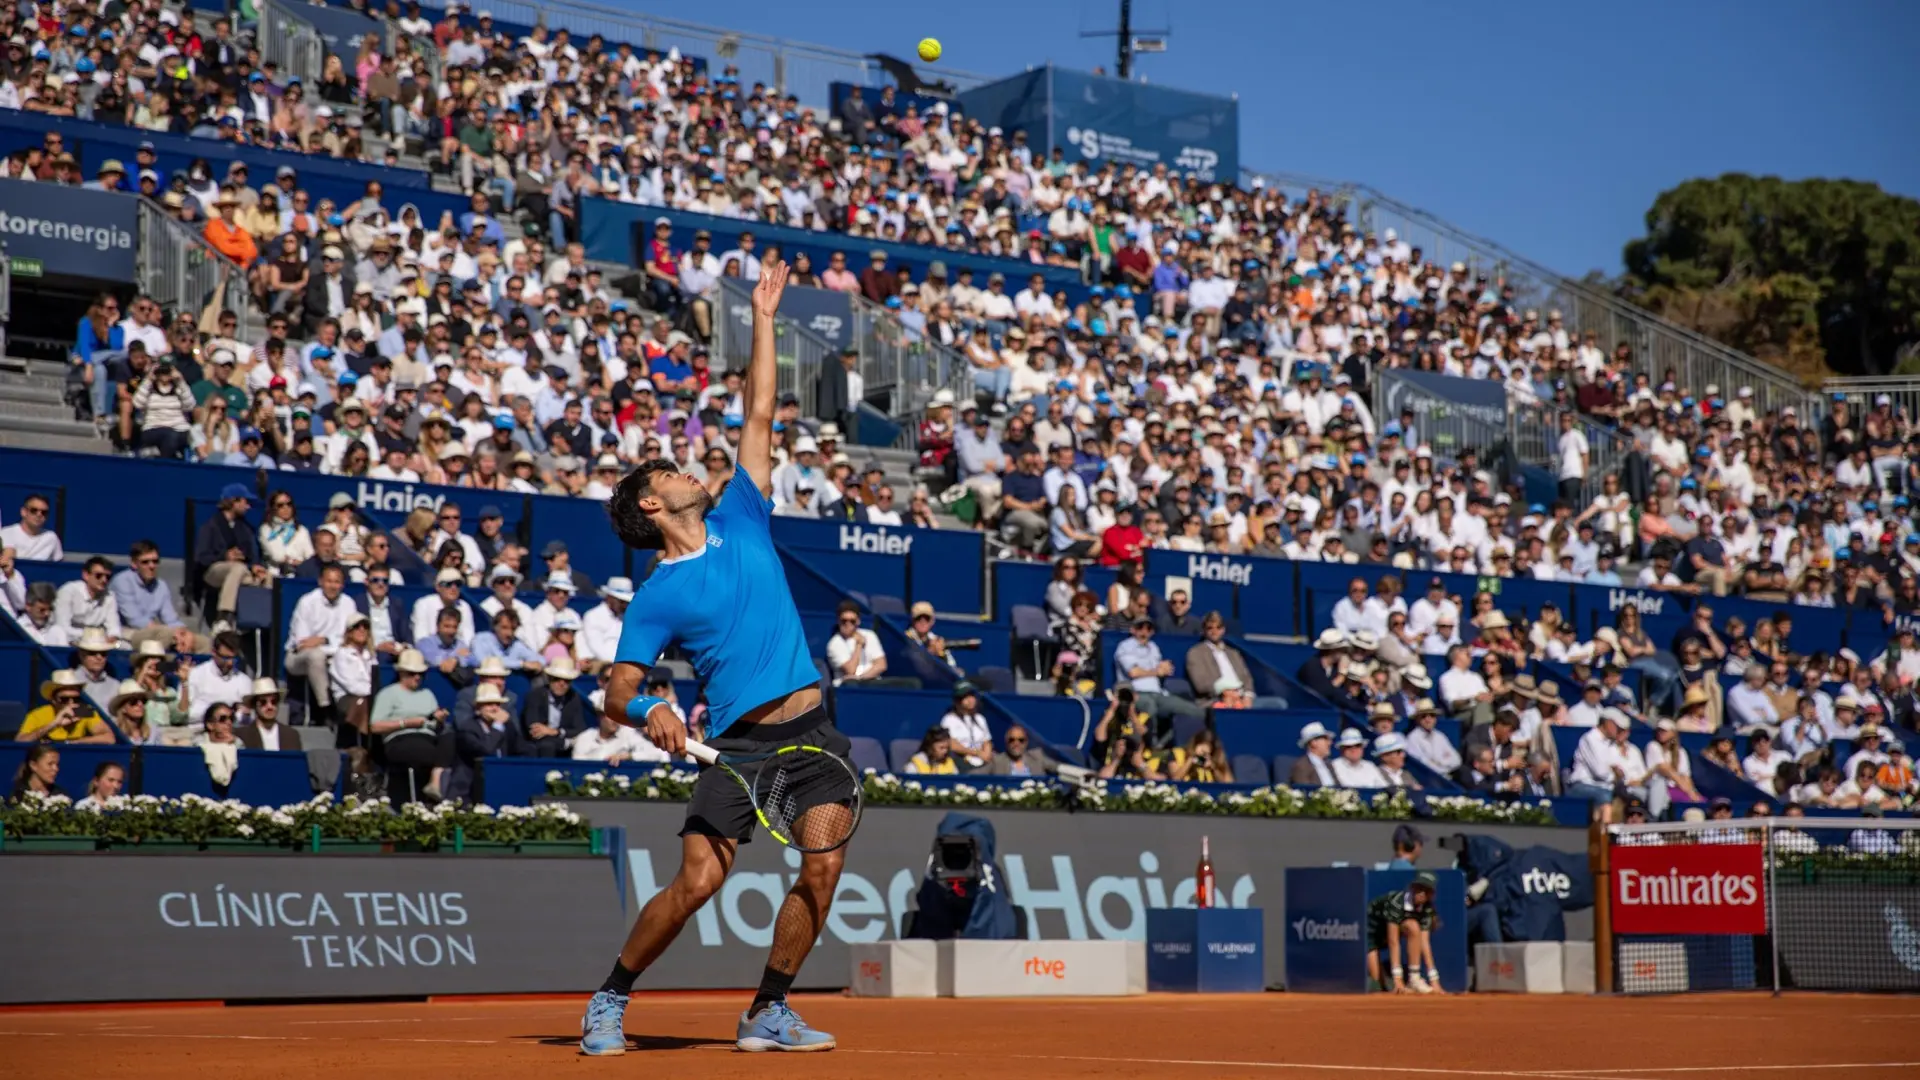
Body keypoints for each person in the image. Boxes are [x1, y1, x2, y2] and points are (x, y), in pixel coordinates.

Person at [588, 262, 847, 1053]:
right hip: (738, 749)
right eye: (670, 471)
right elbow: (616, 693)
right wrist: (651, 709)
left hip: (815, 735)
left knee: (822, 871)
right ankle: (610, 998)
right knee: (698, 881)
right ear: (651, 504)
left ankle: (769, 1008)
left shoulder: (744, 515)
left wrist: (763, 320)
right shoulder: (657, 594)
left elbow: (759, 412)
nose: (687, 467)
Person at [369, 648, 452, 804]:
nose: (417, 677)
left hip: (428, 736)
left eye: (420, 674)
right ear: (401, 673)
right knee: (425, 750)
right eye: (412, 673)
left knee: (451, 736)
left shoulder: (427, 694)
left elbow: (434, 723)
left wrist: (439, 719)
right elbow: (375, 726)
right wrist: (405, 723)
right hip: (400, 739)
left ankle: (435, 779)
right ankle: (433, 787)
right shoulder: (388, 694)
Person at [1368, 872, 1442, 994]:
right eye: (1419, 888)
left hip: (1393, 925)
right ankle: (1385, 980)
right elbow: (1393, 941)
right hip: (1371, 929)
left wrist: (1434, 979)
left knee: (1413, 926)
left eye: (1427, 890)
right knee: (1377, 983)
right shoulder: (1397, 903)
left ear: (1432, 894)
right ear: (1412, 888)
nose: (1422, 893)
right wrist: (1397, 979)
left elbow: (1424, 943)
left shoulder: (1427, 909)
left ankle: (1414, 979)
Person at [17, 670, 113, 743]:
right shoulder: (37, 715)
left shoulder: (85, 712)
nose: (71, 703)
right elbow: (20, 741)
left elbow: (109, 738)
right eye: (64, 699)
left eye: (76, 699)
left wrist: (74, 743)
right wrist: (54, 724)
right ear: (53, 700)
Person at [824, 601, 889, 686]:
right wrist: (859, 645)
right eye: (844, 621)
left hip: (871, 682)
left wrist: (861, 679)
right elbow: (851, 670)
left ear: (858, 621)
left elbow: (881, 665)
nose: (848, 624)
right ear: (838, 621)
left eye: (852, 621)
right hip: (846, 687)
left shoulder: (870, 635)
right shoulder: (834, 644)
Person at [574, 709, 669, 764]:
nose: (615, 721)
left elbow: (655, 753)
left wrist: (628, 756)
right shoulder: (585, 738)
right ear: (600, 717)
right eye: (611, 716)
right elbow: (577, 767)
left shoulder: (627, 733)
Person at [939, 682, 993, 771]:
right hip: (961, 761)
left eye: (972, 696)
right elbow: (952, 745)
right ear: (957, 701)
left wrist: (986, 754)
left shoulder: (980, 718)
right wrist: (977, 753)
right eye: (965, 697)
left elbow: (987, 741)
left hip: (982, 761)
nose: (970, 700)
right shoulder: (949, 720)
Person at [235, 679, 294, 752]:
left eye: (274, 701)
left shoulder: (291, 735)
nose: (270, 706)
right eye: (263, 702)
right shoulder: (242, 735)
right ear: (254, 705)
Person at [987, 724, 1054, 776]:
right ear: (1006, 741)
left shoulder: (1037, 757)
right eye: (1012, 740)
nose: (1016, 743)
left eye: (1021, 740)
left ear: (1026, 742)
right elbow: (980, 774)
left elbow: (1057, 767)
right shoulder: (996, 761)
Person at [1288, 721, 1337, 785]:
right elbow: (1304, 790)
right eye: (1325, 739)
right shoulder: (1301, 766)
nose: (1329, 743)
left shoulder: (1329, 764)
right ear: (1313, 742)